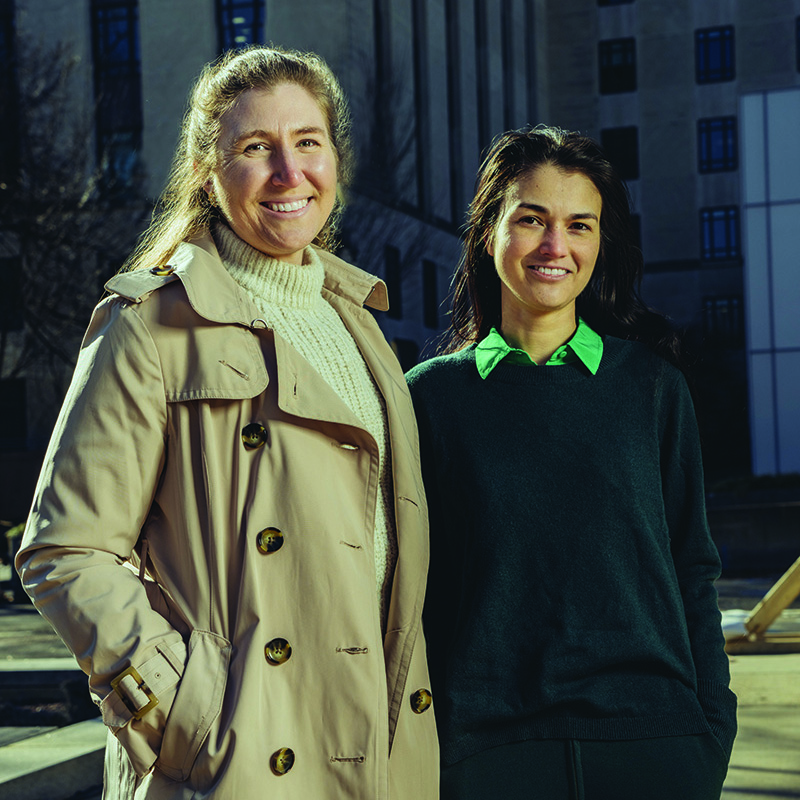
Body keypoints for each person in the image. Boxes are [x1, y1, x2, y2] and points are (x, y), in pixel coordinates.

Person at [16, 45, 438, 799]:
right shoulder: (148, 325)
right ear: (210, 175)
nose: (288, 173)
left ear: (335, 160)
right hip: (239, 758)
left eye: (308, 142)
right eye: (255, 149)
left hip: (377, 745)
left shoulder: (360, 320)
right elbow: (64, 549)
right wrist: (184, 705)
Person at [405, 126, 736, 799]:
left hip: (657, 749)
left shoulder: (651, 387)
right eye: (531, 219)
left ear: (598, 244)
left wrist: (709, 732)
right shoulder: (428, 398)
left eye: (579, 225)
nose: (556, 246)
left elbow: (693, 569)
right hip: (485, 758)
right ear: (489, 230)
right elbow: (405, 595)